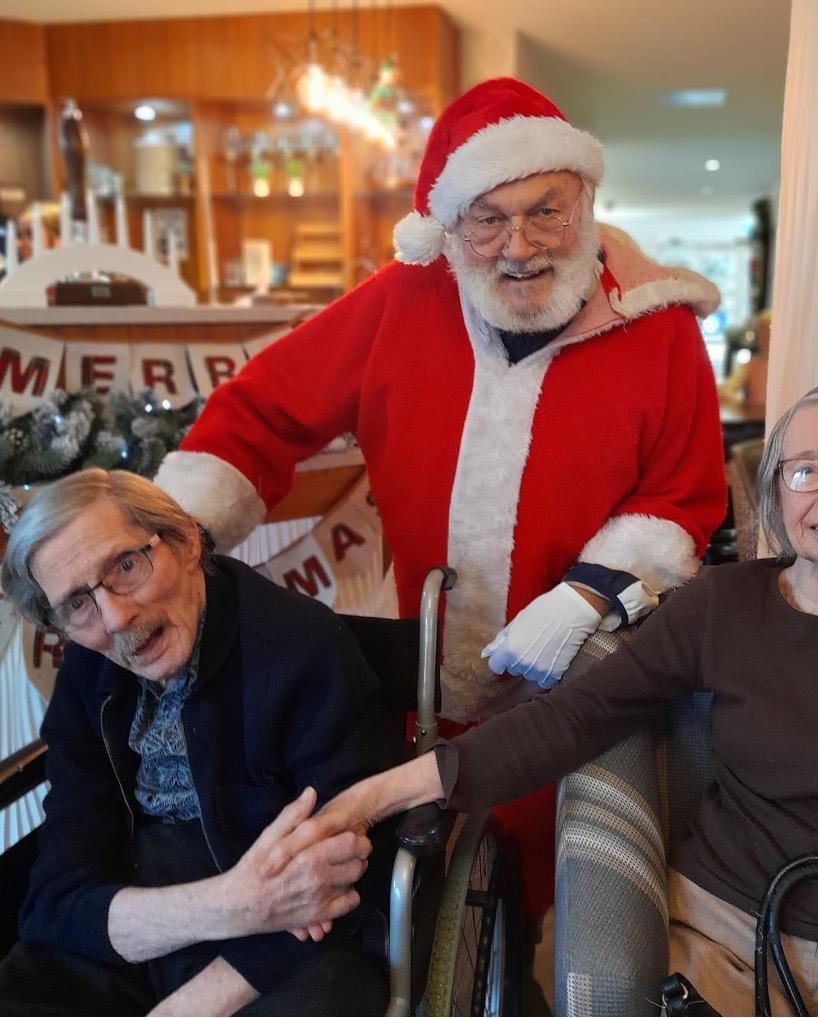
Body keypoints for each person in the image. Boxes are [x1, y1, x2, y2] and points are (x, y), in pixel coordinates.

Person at [154, 77, 728, 922]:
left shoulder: (658, 324)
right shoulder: (399, 301)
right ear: (447, 228)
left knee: (565, 912)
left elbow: (684, 494)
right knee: (421, 907)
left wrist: (584, 596)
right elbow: (262, 410)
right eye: (487, 219)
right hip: (421, 682)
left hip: (588, 695)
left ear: (586, 201)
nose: (519, 244)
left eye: (546, 210)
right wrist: (170, 538)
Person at [266, 380, 818, 1017]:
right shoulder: (723, 605)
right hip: (719, 938)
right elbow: (574, 718)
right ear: (774, 493)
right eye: (806, 470)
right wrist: (367, 800)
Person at [0, 469, 390, 1017]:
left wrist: (188, 1006)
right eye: (77, 604)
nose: (114, 618)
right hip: (156, 912)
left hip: (293, 943)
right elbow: (56, 901)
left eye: (126, 566)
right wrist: (233, 904)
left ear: (184, 540)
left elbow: (346, 884)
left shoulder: (301, 651)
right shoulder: (88, 673)